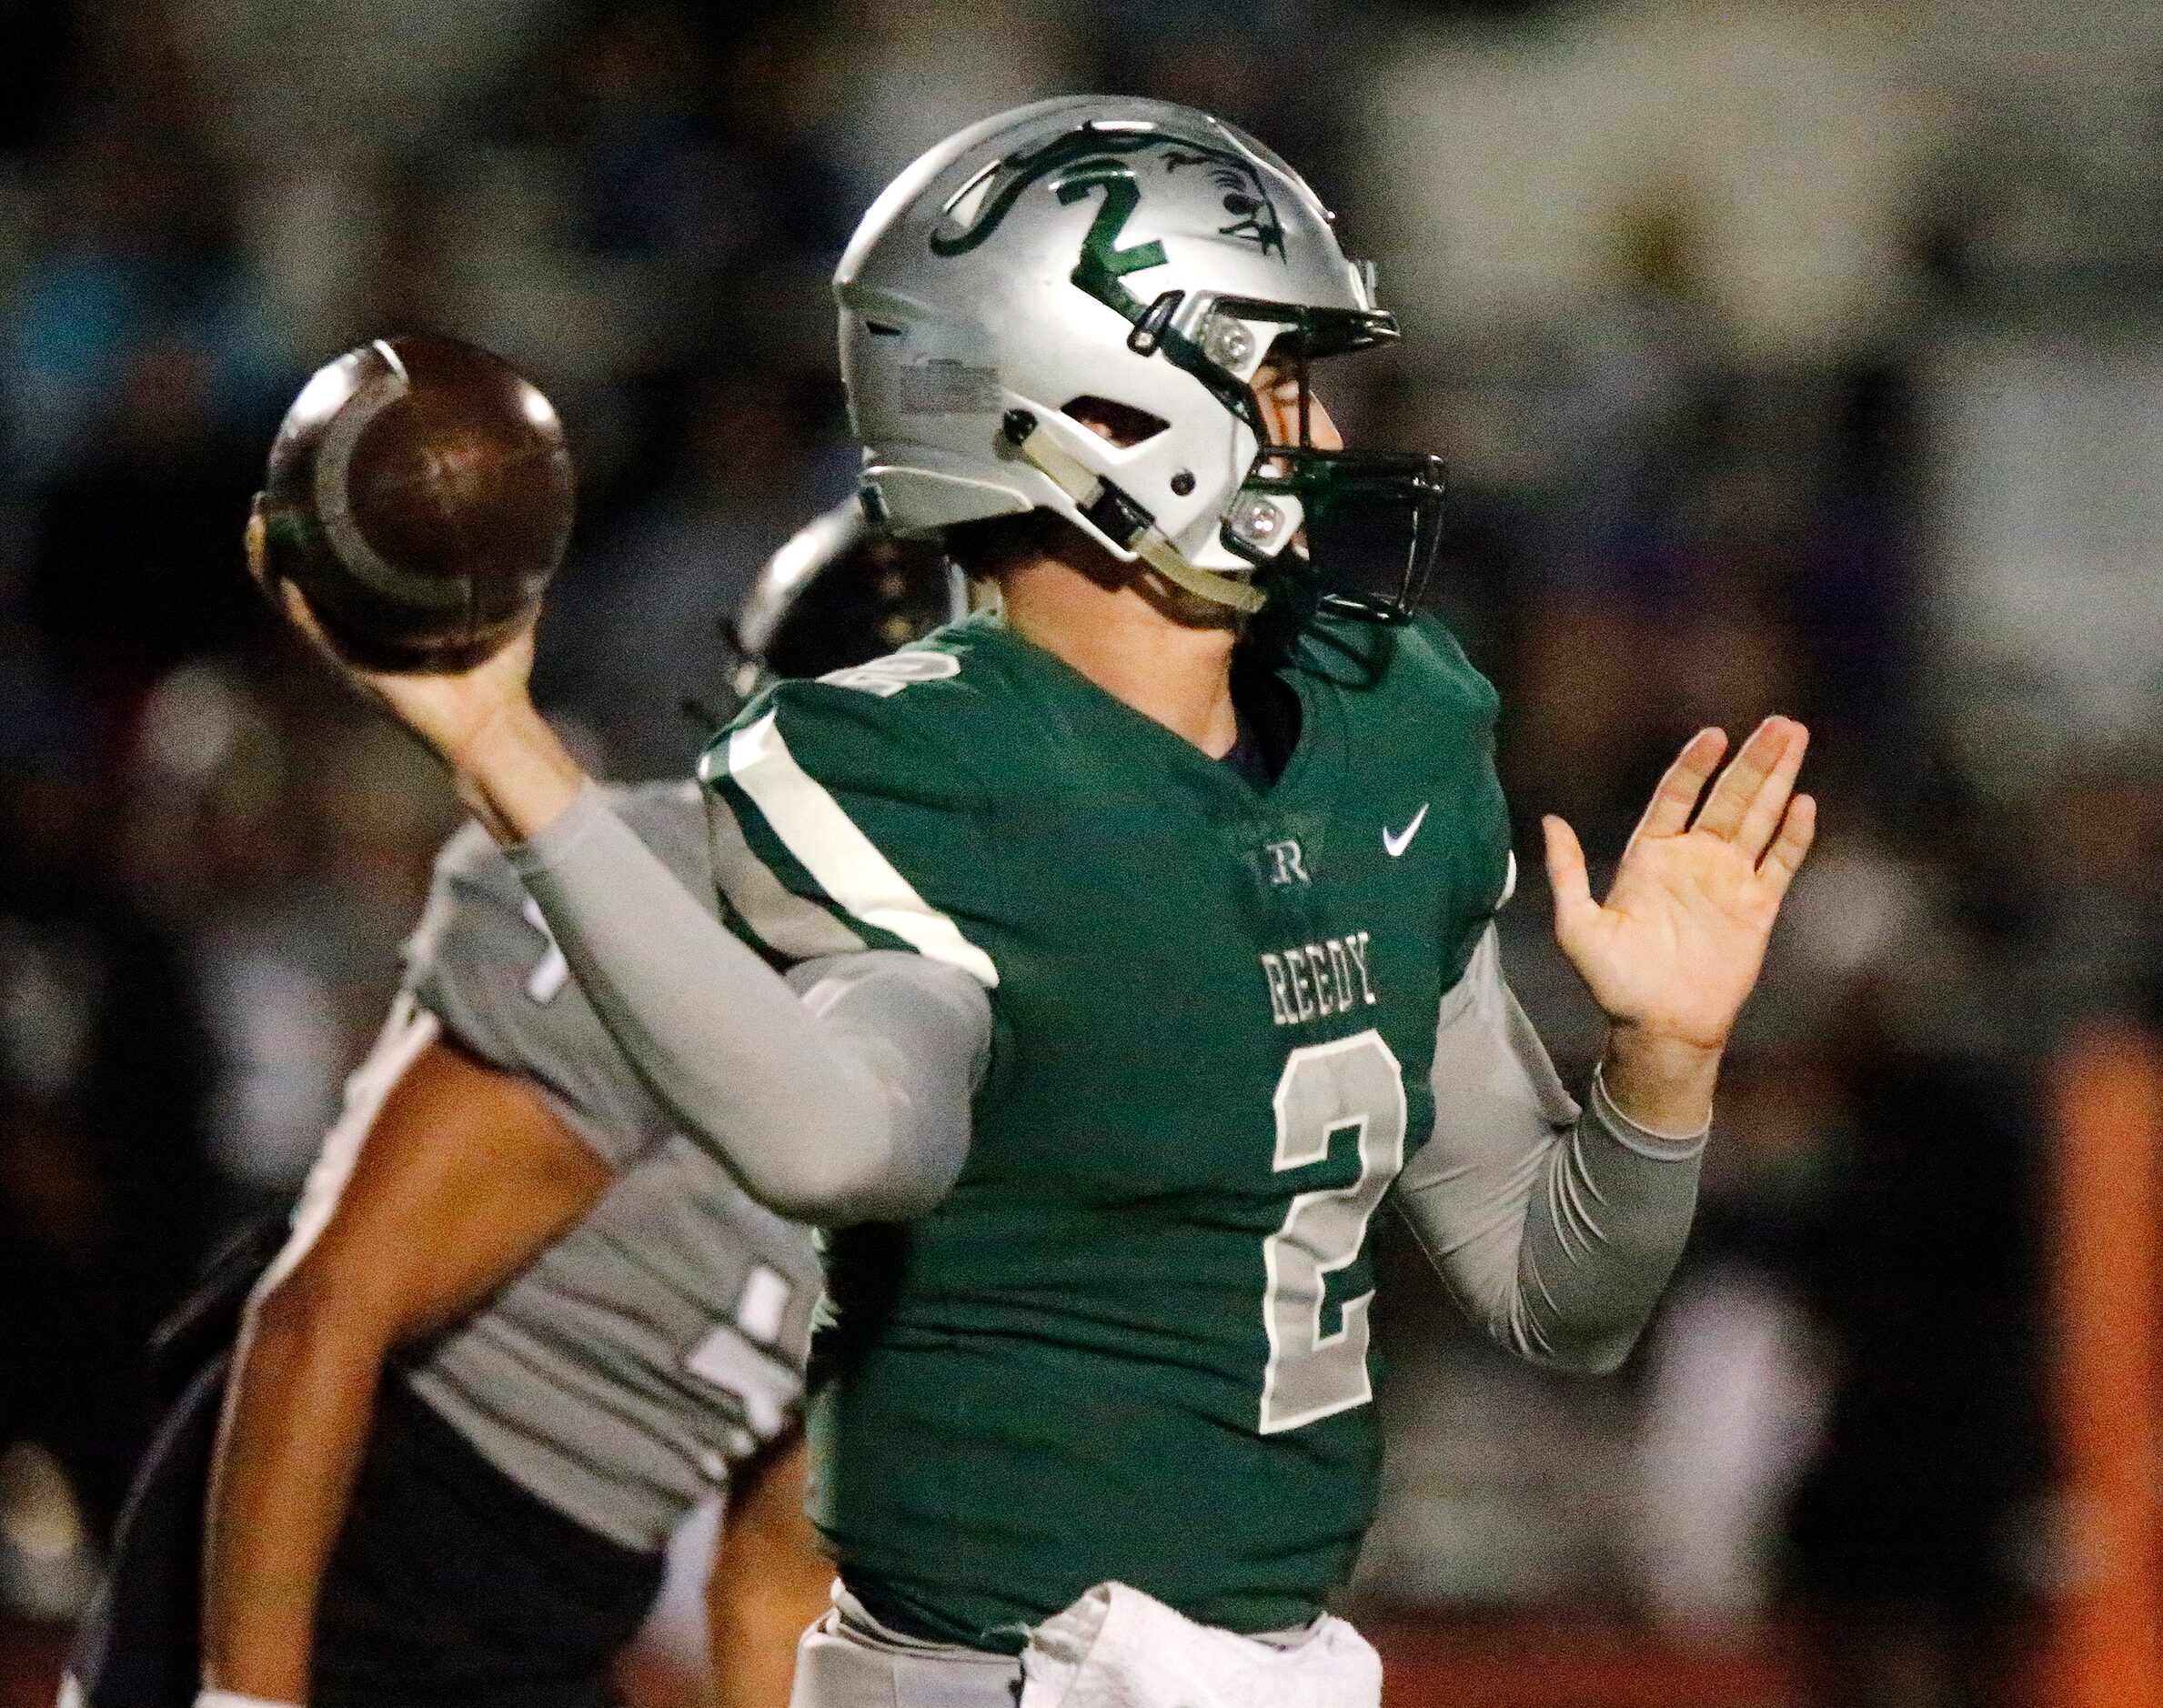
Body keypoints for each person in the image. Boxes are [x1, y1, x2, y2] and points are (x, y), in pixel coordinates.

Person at [266, 98, 1816, 1708]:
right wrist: (509, 754)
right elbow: (843, 1138)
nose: (1325, 440)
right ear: (1102, 407)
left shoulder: (1382, 722)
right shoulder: (909, 758)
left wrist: (1660, 1066)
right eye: (1272, 383)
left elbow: (1560, 1291)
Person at [65, 500, 960, 1708]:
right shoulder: (673, 902)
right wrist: (245, 1698)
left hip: (548, 1601)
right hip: (348, 1526)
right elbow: (325, 1310)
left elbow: (773, 1573)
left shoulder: (987, 1062)